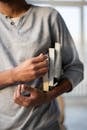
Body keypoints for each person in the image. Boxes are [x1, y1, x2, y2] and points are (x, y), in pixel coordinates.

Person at [0, 0, 83, 130]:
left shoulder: (49, 17)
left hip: (46, 125)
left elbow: (75, 69)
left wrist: (47, 96)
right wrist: (14, 75)